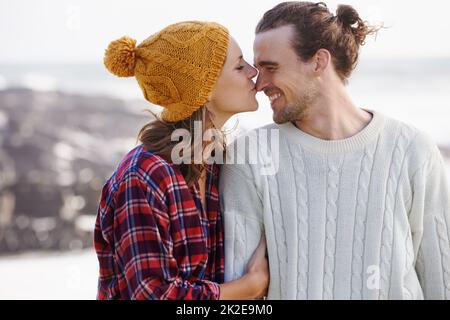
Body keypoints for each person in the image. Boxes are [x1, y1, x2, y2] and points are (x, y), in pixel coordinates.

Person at [221, 2, 450, 299]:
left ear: (318, 62)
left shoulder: (413, 150)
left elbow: (440, 281)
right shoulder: (249, 156)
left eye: (271, 68)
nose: (259, 83)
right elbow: (241, 291)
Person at [94, 21, 269, 300]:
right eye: (239, 66)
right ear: (204, 89)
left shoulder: (215, 164)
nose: (253, 72)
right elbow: (151, 294)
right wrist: (248, 288)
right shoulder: (143, 176)